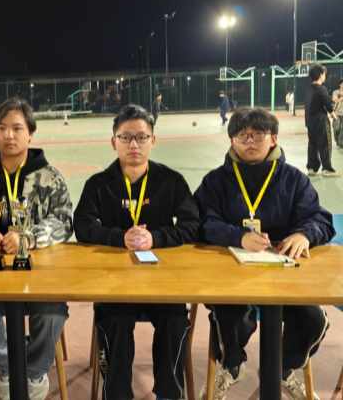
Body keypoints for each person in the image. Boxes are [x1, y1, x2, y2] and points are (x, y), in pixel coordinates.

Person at [194, 107, 334, 400]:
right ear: (232, 140)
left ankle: (281, 368)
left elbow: (320, 219)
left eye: (258, 134)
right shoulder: (215, 181)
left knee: (314, 320)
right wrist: (238, 236)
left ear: (273, 138)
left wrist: (304, 234)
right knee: (228, 315)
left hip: (285, 275)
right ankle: (232, 367)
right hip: (232, 273)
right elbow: (201, 222)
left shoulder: (294, 179)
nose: (249, 141)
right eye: (242, 135)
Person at [74, 104, 201, 400]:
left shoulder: (171, 181)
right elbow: (82, 225)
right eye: (125, 137)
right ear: (113, 142)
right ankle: (117, 394)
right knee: (115, 320)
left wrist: (156, 237)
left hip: (162, 280)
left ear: (152, 141)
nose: (134, 144)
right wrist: (119, 238)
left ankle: (170, 393)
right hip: (115, 282)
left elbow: (192, 224)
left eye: (141, 137)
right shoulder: (98, 185)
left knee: (174, 320)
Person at [0, 98, 73, 400]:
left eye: (17, 128)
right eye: (1, 128)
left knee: (52, 312)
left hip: (40, 278)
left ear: (31, 133)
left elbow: (64, 221)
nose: (8, 135)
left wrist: (28, 238)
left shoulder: (51, 179)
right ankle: (7, 368)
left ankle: (34, 370)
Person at [305, 64, 339, 177]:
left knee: (312, 144)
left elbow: (315, 102)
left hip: (310, 121)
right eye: (324, 74)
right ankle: (327, 168)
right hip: (321, 121)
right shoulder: (322, 88)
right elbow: (327, 103)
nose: (324, 76)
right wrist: (333, 114)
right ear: (321, 75)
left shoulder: (309, 89)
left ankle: (312, 168)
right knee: (325, 144)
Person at [331, 78, 343, 147]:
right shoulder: (335, 92)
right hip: (337, 113)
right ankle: (337, 139)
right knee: (337, 128)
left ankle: (341, 142)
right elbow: (335, 101)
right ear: (340, 84)